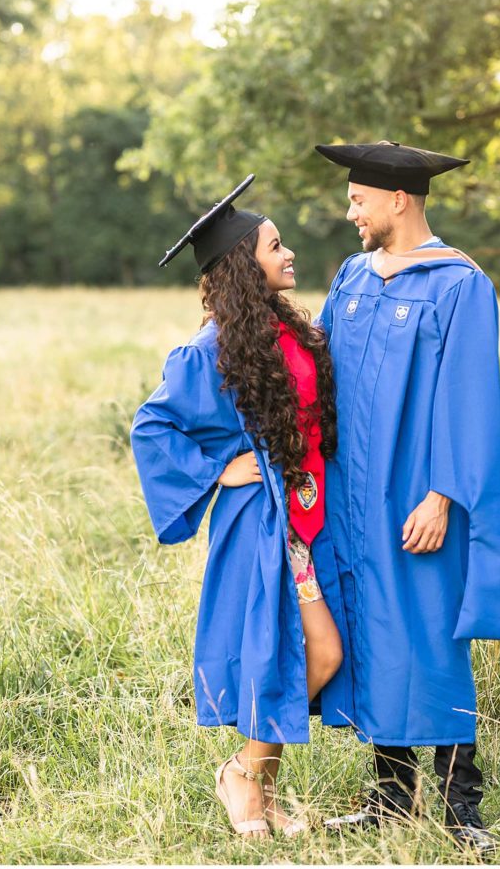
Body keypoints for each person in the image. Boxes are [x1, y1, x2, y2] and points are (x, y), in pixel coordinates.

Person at [130, 176, 353, 841]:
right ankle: (242, 778)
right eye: (274, 246)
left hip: (306, 519)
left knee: (295, 656)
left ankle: (259, 789)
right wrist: (216, 470)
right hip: (264, 524)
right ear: (242, 266)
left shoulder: (288, 329)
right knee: (316, 654)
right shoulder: (211, 349)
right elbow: (152, 426)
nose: (288, 255)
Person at [314, 142, 500, 857]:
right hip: (352, 493)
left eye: (358, 200)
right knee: (374, 630)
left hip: (415, 493)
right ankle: (389, 800)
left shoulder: (457, 285)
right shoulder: (350, 277)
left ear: (398, 199)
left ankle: (462, 805)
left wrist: (440, 496)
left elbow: (470, 402)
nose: (350, 213)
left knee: (431, 634)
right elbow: (321, 372)